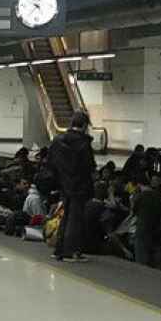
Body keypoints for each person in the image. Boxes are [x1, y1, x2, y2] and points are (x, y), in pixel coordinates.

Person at [48, 112, 98, 262]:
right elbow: (89, 166)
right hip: (79, 186)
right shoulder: (83, 143)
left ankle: (60, 250)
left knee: (66, 217)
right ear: (84, 126)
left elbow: (51, 163)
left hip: (64, 185)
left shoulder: (58, 141)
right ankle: (71, 251)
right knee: (75, 219)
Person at [131, 175, 161, 270]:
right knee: (155, 261)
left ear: (138, 185)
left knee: (142, 261)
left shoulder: (140, 196)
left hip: (142, 230)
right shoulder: (159, 196)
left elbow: (133, 212)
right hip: (156, 231)